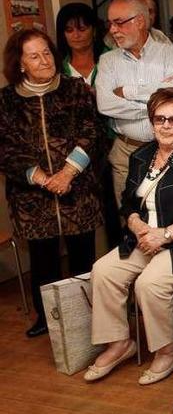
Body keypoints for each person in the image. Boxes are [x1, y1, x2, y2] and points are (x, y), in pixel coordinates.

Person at [86, 88, 173, 384]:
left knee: (149, 284)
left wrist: (164, 235)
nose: (165, 125)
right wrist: (136, 222)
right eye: (159, 118)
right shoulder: (142, 155)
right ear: (151, 121)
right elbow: (127, 201)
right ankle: (119, 343)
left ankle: (170, 349)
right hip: (143, 238)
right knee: (103, 271)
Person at [0, 29, 103, 338]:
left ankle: (91, 315)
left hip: (77, 191)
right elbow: (5, 148)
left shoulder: (76, 89)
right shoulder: (6, 100)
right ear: (20, 64)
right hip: (32, 198)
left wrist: (67, 173)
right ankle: (47, 317)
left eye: (46, 52)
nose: (44, 60)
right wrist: (44, 179)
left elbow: (93, 131)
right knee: (43, 260)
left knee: (83, 257)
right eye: (34, 56)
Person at [96, 0, 173, 208]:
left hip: (169, 150)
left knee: (170, 212)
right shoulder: (108, 61)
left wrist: (127, 90)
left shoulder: (172, 54)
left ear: (140, 21)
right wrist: (153, 108)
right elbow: (105, 104)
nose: (112, 30)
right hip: (126, 152)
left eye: (119, 22)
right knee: (129, 217)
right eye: (110, 23)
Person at [55, 2, 122, 248]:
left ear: (94, 30)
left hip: (112, 144)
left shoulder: (111, 58)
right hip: (73, 151)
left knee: (116, 210)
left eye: (82, 28)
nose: (76, 35)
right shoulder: (56, 66)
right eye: (69, 30)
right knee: (78, 217)